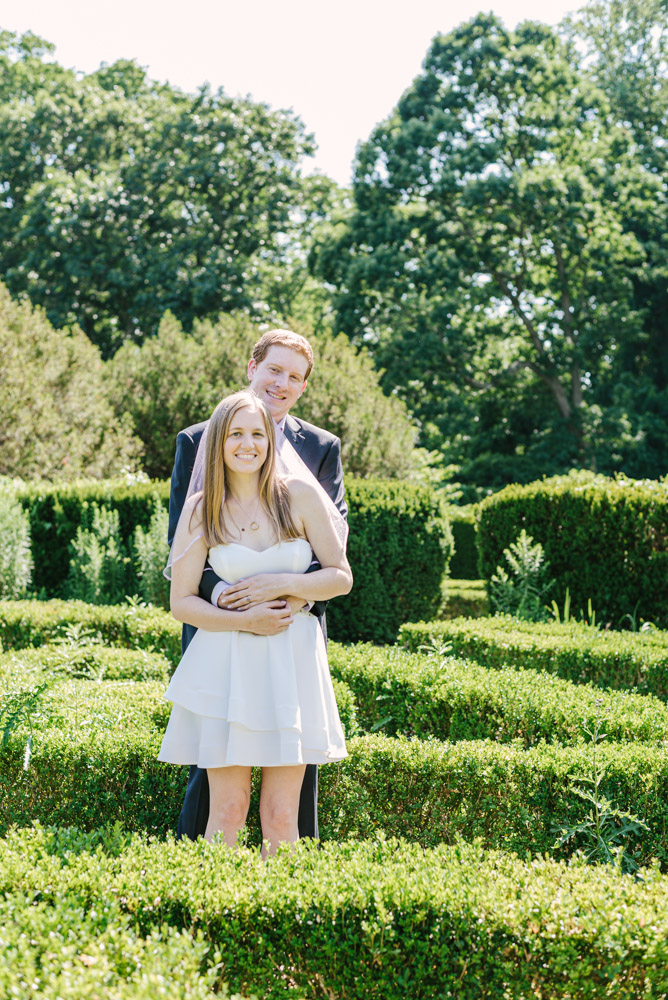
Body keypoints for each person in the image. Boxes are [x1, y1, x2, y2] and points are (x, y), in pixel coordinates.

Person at [168, 330, 348, 841]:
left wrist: (286, 591)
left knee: (287, 810)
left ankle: (283, 887)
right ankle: (196, 879)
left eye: (294, 376)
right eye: (274, 369)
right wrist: (234, 604)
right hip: (223, 639)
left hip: (292, 638)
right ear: (252, 367)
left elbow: (336, 552)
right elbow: (182, 564)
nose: (282, 383)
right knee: (221, 803)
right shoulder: (197, 454)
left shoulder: (318, 455)